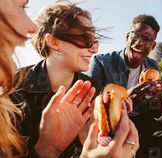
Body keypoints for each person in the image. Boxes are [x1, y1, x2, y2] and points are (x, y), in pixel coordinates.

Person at [0, 0, 139, 157]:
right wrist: (46, 149)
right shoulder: (15, 87)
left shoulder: (92, 89)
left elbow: (98, 146)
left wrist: (110, 129)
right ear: (54, 42)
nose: (94, 48)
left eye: (95, 41)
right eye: (85, 38)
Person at [88, 14, 162, 157]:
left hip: (141, 120)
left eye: (146, 39)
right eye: (136, 35)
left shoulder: (152, 67)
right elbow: (91, 107)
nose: (139, 42)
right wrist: (128, 97)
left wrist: (157, 97)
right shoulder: (101, 62)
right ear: (127, 37)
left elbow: (157, 112)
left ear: (153, 45)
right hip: (111, 123)